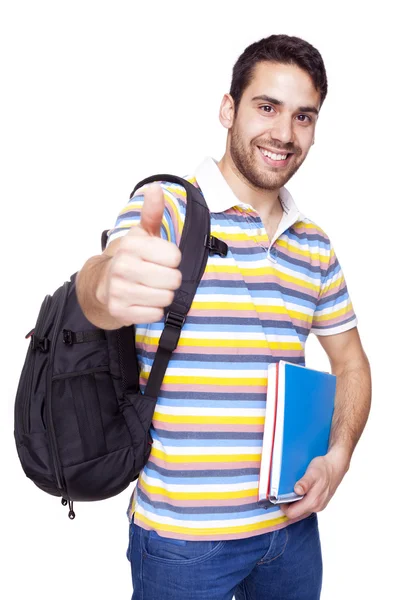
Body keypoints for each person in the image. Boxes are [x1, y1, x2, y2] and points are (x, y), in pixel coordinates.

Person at [76, 34, 371, 600]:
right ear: (228, 109)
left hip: (291, 532)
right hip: (183, 543)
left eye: (303, 116)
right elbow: (102, 285)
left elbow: (352, 362)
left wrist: (338, 459)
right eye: (267, 107)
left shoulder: (315, 245)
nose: (284, 133)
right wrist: (102, 284)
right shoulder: (167, 207)